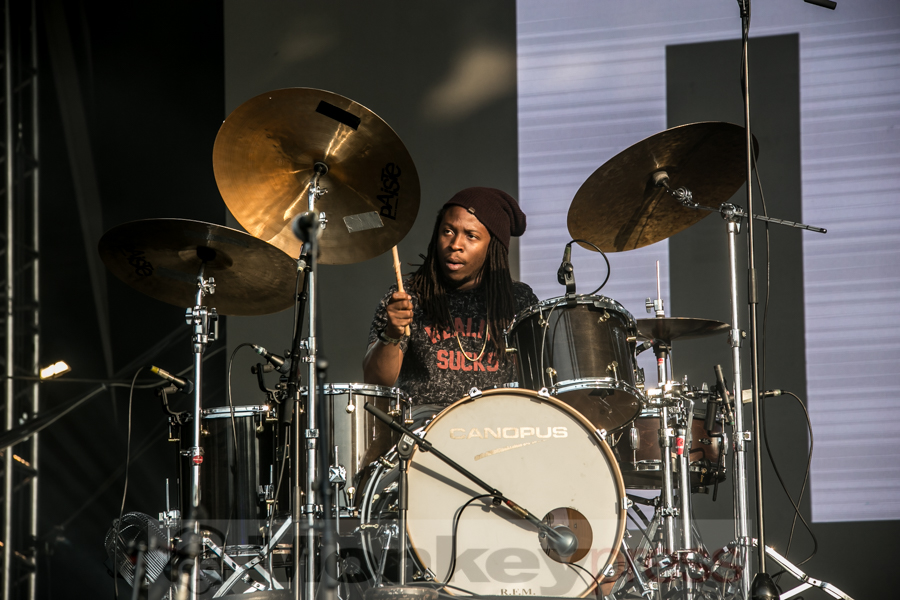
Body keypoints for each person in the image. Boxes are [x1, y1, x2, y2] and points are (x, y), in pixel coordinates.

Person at [363, 187, 538, 408]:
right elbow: (375, 381)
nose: (455, 244)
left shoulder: (518, 300)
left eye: (471, 236)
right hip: (424, 430)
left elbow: (540, 380)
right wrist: (391, 334)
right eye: (447, 231)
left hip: (501, 428)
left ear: (493, 247)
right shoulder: (408, 297)